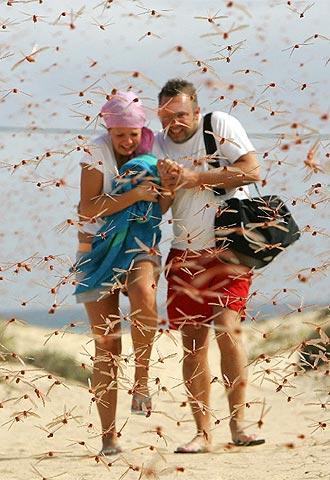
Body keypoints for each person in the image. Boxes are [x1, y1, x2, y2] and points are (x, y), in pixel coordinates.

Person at [152, 78, 265, 453]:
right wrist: (169, 185)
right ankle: (203, 432)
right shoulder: (156, 145)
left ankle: (238, 425)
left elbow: (251, 171)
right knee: (192, 344)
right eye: (167, 116)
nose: (175, 123)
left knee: (228, 329)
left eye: (181, 115)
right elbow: (161, 209)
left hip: (228, 246)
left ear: (195, 111)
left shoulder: (220, 125)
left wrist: (195, 177)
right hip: (184, 250)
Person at [74, 91, 162, 456]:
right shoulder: (95, 153)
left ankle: (141, 381)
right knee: (107, 344)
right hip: (94, 251)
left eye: (133, 133)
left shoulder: (153, 148)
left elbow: (163, 199)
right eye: (120, 134)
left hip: (140, 243)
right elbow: (87, 210)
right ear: (108, 130)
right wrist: (135, 193)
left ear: (142, 127)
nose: (128, 141)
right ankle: (109, 437)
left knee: (144, 295)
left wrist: (163, 188)